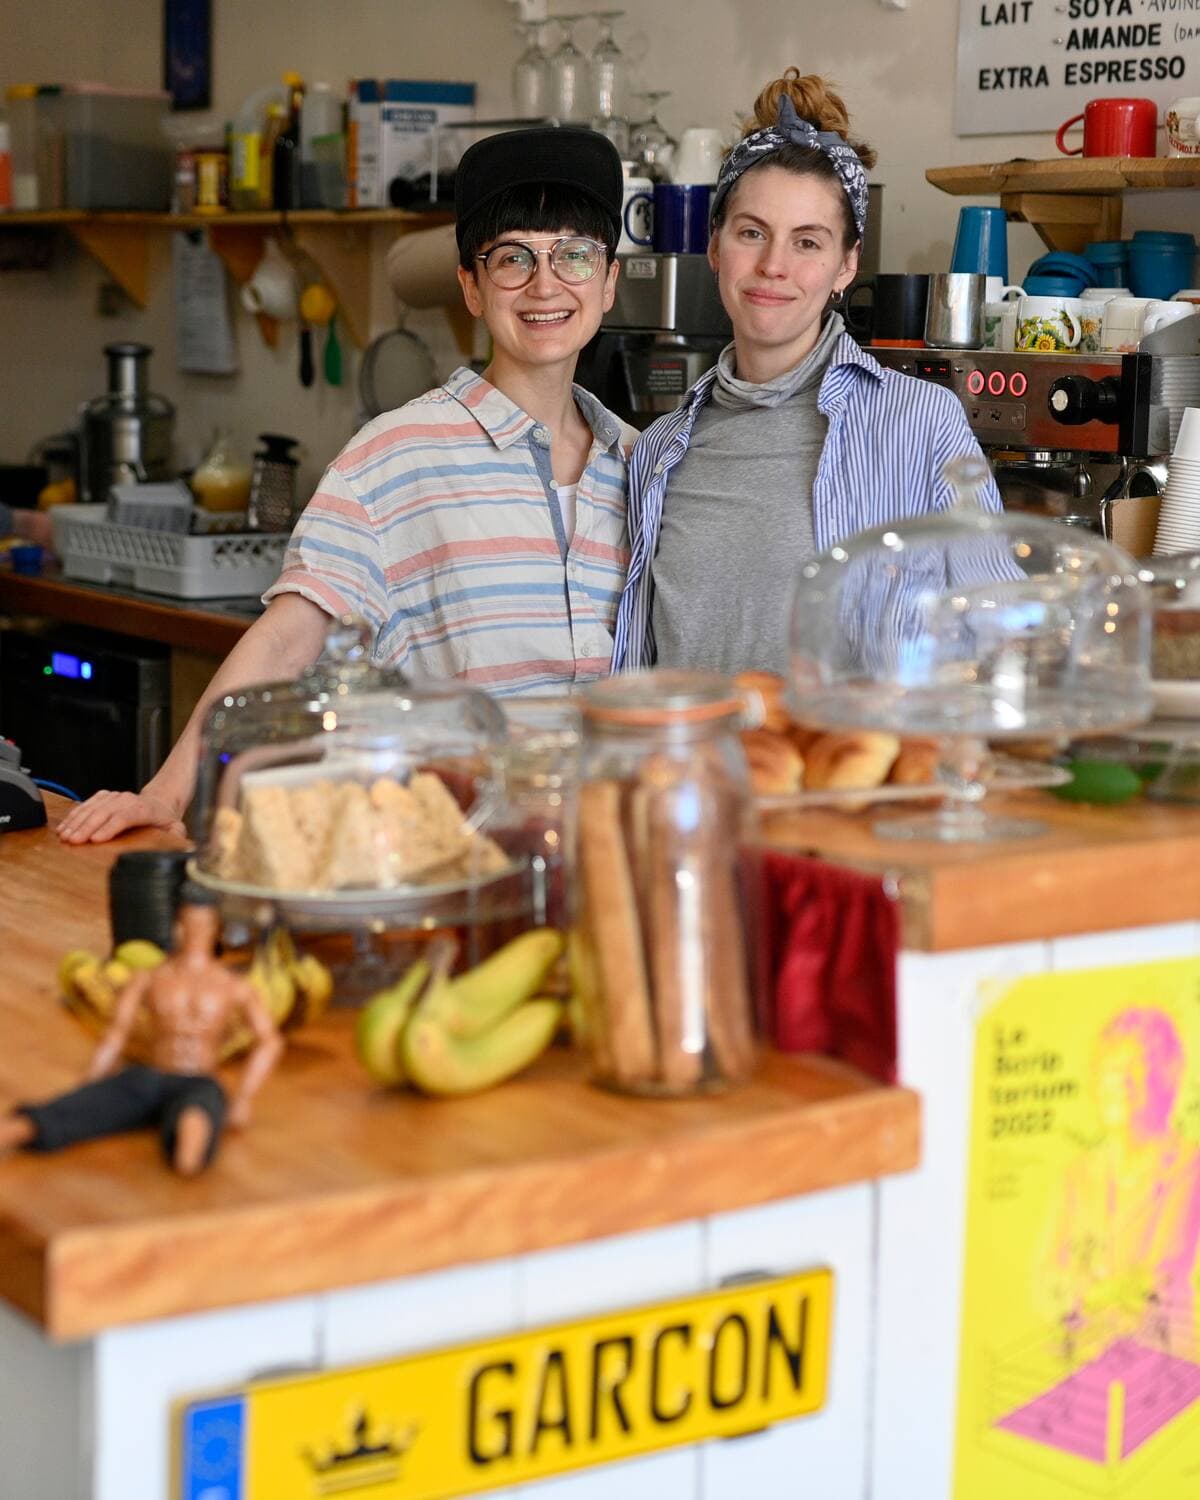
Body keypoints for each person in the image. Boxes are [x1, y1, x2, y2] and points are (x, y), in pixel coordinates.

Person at [57, 126, 634, 846]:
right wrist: (168, 796)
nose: (546, 284)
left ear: (607, 280)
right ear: (471, 287)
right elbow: (287, 640)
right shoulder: (393, 457)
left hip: (614, 850)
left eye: (573, 255)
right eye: (512, 257)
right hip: (459, 857)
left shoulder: (638, 465)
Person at [610, 70, 1002, 678]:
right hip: (694, 768)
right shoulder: (659, 452)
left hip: (858, 768)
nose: (773, 266)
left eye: (808, 243)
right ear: (715, 248)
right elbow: (640, 662)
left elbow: (995, 629)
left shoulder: (920, 421)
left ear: (847, 266)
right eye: (751, 234)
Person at [0, 898, 282, 1176]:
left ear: (215, 930)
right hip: (150, 1075)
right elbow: (116, 1033)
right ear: (177, 928)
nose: (193, 933)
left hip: (197, 1081)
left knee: (194, 1120)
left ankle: (186, 1170)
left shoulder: (233, 986)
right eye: (187, 925)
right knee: (67, 1110)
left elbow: (269, 1041)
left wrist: (244, 1097)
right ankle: (12, 1132)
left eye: (202, 926)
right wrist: (94, 1078)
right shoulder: (150, 978)